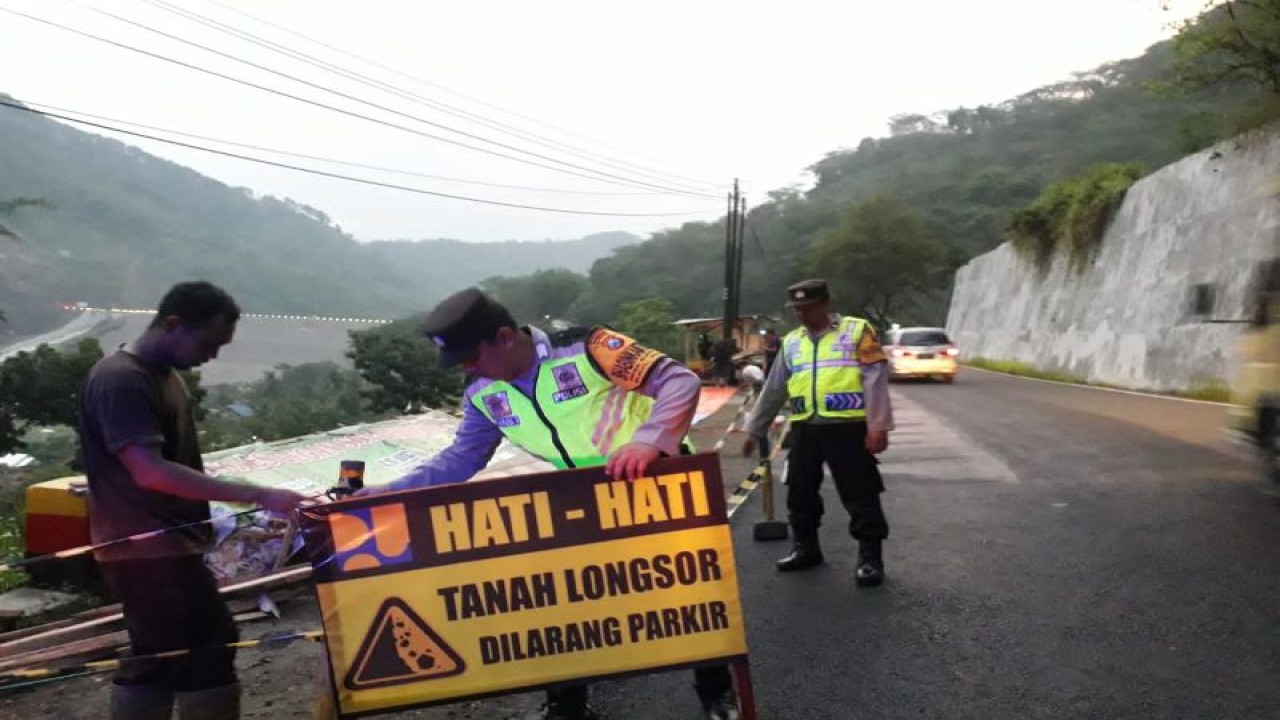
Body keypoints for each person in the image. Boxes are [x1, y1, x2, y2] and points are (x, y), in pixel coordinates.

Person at [363, 287, 740, 720]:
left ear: (505, 337)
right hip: (580, 498)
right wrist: (383, 494)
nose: (467, 368)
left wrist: (648, 441)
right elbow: (461, 458)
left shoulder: (589, 347)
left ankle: (715, 692)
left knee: (691, 595)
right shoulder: (483, 391)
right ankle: (566, 707)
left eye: (471, 355)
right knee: (568, 605)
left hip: (657, 483)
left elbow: (678, 381)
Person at [77, 281, 311, 720]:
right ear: (173, 324)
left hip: (171, 543)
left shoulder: (164, 376)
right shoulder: (122, 380)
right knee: (176, 654)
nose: (212, 356)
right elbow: (149, 470)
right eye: (208, 343)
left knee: (183, 653)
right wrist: (258, 495)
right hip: (142, 547)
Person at [741, 279, 894, 586]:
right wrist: (754, 429)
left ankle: (870, 557)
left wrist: (878, 425)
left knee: (860, 493)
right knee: (799, 491)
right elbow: (774, 388)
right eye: (796, 308)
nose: (801, 313)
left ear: (826, 304)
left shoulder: (856, 331)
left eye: (807, 307)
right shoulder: (793, 341)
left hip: (848, 428)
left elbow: (874, 379)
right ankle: (806, 549)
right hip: (805, 429)